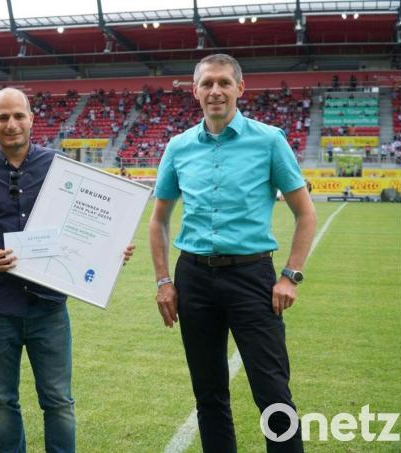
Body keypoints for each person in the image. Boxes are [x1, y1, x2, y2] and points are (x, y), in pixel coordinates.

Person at [0, 87, 133, 453]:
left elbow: (89, 223)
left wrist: (110, 248)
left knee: (59, 402)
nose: (11, 124)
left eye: (18, 115)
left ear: (32, 118)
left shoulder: (60, 167)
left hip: (48, 307)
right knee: (1, 400)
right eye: (3, 117)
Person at [149, 54, 317, 453]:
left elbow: (305, 213)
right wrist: (163, 282)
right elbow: (158, 221)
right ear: (195, 91)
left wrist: (290, 275)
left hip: (252, 277)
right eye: (206, 84)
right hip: (193, 278)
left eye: (224, 83)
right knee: (209, 396)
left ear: (240, 88)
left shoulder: (269, 140)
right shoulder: (178, 147)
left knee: (273, 393)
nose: (215, 91)